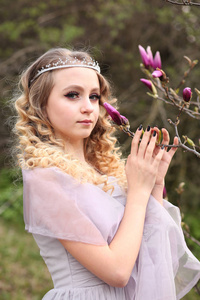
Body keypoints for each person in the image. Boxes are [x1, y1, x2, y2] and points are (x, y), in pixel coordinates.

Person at [13, 47, 200, 300]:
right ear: (41, 104)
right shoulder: (46, 176)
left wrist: (154, 183)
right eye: (72, 95)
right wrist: (138, 192)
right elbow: (117, 271)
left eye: (93, 97)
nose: (88, 107)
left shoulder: (108, 173)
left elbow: (154, 259)